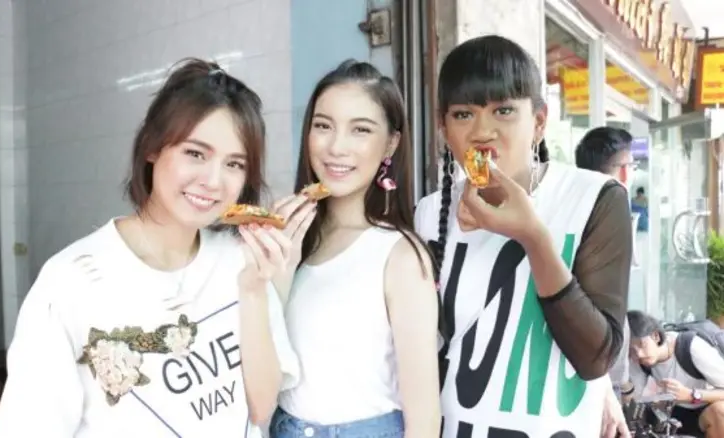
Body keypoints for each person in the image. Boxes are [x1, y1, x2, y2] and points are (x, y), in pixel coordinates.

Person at [0, 59, 299, 437]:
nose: (213, 181)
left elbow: (261, 407)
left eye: (234, 164)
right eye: (195, 153)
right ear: (153, 147)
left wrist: (253, 290)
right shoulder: (70, 282)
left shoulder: (241, 259)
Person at [414, 35, 631, 437]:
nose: (482, 131)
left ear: (539, 122)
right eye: (463, 114)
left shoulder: (593, 198)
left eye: (504, 110)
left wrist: (532, 236)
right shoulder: (430, 213)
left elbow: (595, 357)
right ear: (443, 128)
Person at [269, 60, 441, 437]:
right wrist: (278, 269)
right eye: (323, 126)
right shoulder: (289, 235)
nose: (336, 147)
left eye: (360, 129)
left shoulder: (400, 255)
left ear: (390, 143)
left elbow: (425, 419)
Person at [575, 126, 636, 437]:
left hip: (598, 366)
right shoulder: (606, 209)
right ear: (622, 170)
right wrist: (605, 386)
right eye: (630, 165)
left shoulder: (577, 204)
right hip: (594, 371)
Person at [626, 310, 724, 437]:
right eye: (631, 350)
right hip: (674, 411)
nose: (639, 354)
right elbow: (632, 401)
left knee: (720, 411)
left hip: (705, 406)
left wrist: (691, 395)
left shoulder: (692, 347)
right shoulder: (638, 360)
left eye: (642, 344)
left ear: (656, 336)